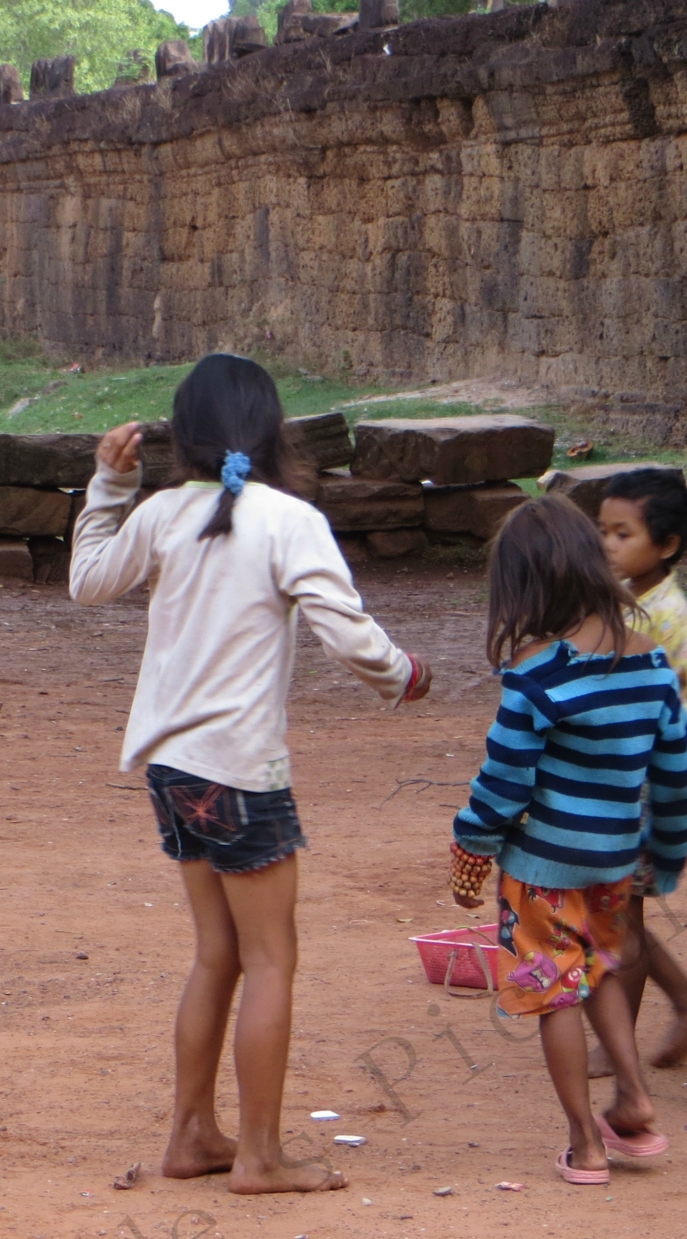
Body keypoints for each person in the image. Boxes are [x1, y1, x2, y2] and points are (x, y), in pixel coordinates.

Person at [70, 353, 431, 1195]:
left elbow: (89, 582)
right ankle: (261, 1157)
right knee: (271, 959)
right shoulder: (287, 519)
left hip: (171, 766)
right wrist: (404, 676)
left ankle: (193, 1132)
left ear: (182, 435)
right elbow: (347, 632)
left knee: (217, 956)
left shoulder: (163, 512)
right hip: (238, 771)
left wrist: (105, 486)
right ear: (272, 429)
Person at [449, 495, 687, 1184]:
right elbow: (675, 772)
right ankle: (636, 1096)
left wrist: (472, 843)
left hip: (542, 869)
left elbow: (505, 779)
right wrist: (664, 854)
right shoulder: (651, 664)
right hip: (614, 861)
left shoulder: (536, 674)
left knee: (554, 990)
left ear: (524, 585)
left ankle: (586, 1142)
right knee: (602, 971)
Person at [587, 467, 687, 1075]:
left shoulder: (666, 614)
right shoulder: (631, 605)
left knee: (622, 917)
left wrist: (664, 748)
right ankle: (686, 1002)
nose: (608, 545)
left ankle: (627, 1037)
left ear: (667, 546)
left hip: (643, 793)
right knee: (622, 914)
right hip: (624, 788)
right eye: (603, 532)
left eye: (623, 534)